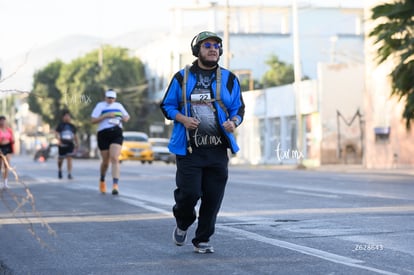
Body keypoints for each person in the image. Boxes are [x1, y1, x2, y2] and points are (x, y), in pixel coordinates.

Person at [160, 31, 245, 253]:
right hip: (189, 149)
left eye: (217, 45)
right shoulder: (181, 77)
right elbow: (167, 106)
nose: (213, 49)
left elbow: (238, 108)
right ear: (197, 50)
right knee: (190, 194)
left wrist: (233, 122)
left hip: (217, 150)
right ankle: (183, 221)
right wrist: (183, 119)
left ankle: (203, 239)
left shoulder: (229, 79)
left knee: (213, 197)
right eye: (207, 45)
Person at [91, 89, 130, 195]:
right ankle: (102, 179)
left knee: (115, 158)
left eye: (112, 98)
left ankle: (115, 185)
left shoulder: (119, 106)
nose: (110, 100)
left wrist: (123, 118)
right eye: (109, 97)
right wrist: (105, 116)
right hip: (103, 134)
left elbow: (126, 116)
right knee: (105, 161)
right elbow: (93, 120)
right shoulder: (100, 106)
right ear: (105, 97)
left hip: (116, 132)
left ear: (115, 98)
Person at [55, 110, 78, 179]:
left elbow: (75, 135)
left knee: (69, 158)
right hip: (62, 144)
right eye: (66, 116)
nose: (67, 117)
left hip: (70, 144)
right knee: (61, 159)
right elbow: (56, 133)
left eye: (68, 116)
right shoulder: (60, 125)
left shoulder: (72, 126)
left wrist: (77, 143)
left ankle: (69, 173)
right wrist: (59, 140)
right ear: (63, 117)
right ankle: (59, 170)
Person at [0, 116, 15, 189]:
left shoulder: (9, 130)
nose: (2, 122)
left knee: (7, 165)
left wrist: (12, 140)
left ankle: (5, 183)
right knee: (0, 165)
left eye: (4, 121)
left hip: (8, 147)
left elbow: (13, 139)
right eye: (1, 121)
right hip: (1, 148)